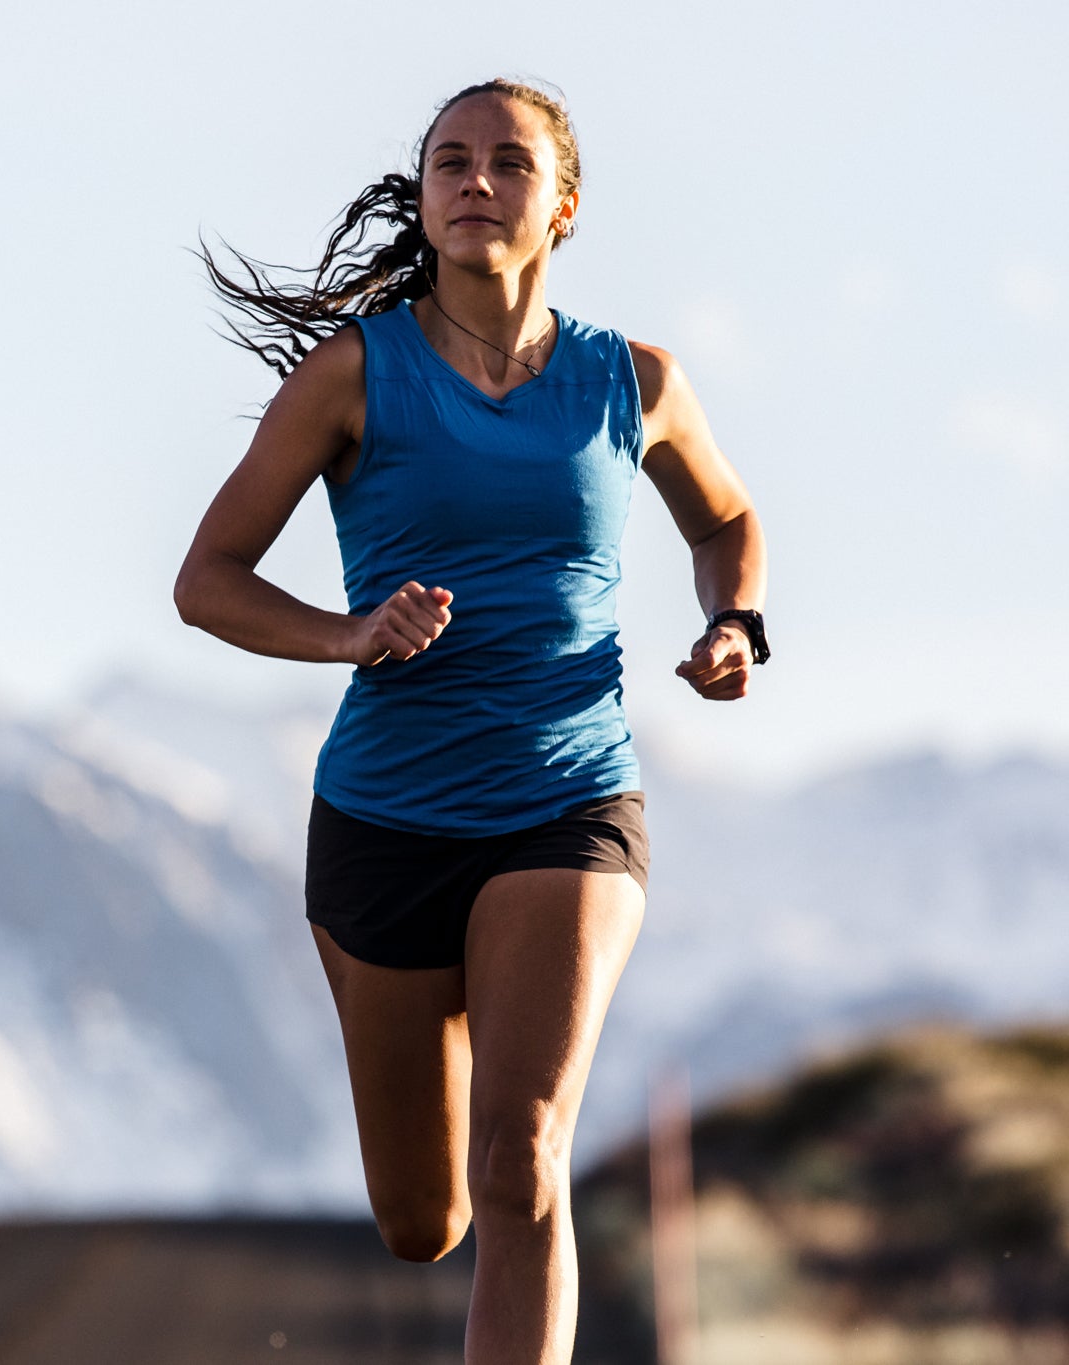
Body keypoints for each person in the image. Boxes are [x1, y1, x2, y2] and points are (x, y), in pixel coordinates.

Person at [173, 79, 767, 1363]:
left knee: (520, 1161)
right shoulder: (352, 376)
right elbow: (205, 579)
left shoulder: (634, 382)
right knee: (422, 1217)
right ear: (426, 194)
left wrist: (734, 623)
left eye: (507, 161)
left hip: (567, 801)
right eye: (449, 160)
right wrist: (347, 633)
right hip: (383, 816)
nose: (474, 180)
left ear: (560, 206)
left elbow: (722, 521)